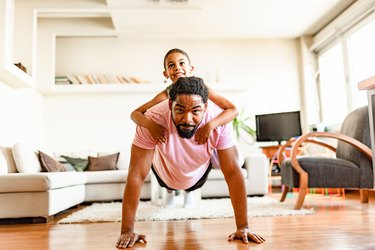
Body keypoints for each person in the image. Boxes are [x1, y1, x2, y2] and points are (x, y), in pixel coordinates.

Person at [116, 76, 265, 248]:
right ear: (170, 103)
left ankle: (188, 189)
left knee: (227, 160)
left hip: (198, 174)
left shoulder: (218, 121)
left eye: (195, 111)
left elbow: (233, 173)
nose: (187, 119)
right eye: (179, 110)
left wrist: (243, 227)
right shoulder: (153, 119)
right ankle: (172, 191)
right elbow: (136, 174)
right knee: (164, 180)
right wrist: (127, 230)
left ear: (206, 107)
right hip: (164, 173)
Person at [130, 48, 239, 207]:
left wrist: (211, 125)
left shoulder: (203, 90)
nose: (177, 68)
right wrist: (151, 126)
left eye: (181, 63)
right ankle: (169, 191)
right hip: (172, 148)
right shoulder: (166, 95)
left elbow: (233, 109)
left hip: (196, 146)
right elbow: (136, 113)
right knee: (164, 157)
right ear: (166, 73)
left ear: (191, 69)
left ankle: (189, 191)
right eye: (171, 65)